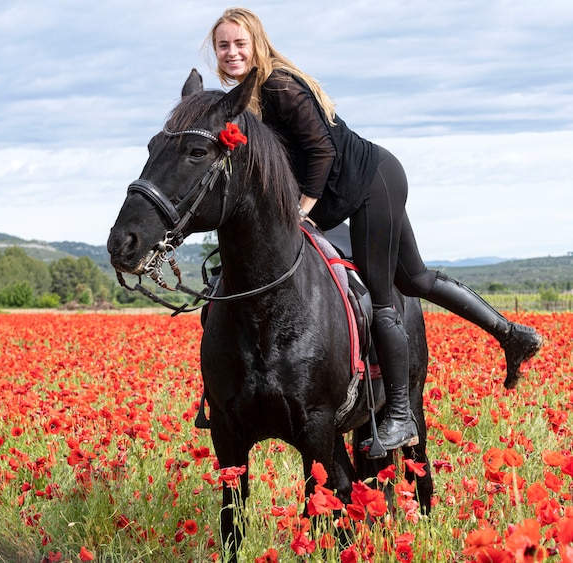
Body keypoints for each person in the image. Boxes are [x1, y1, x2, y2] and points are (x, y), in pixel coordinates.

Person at [205, 8, 543, 451]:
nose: (231, 52)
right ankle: (512, 334)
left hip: (371, 182)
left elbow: (321, 150)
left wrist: (301, 209)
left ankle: (400, 414)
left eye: (239, 43)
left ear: (257, 44)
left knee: (384, 297)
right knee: (417, 279)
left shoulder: (278, 85)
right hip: (366, 180)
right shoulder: (252, 97)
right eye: (223, 45)